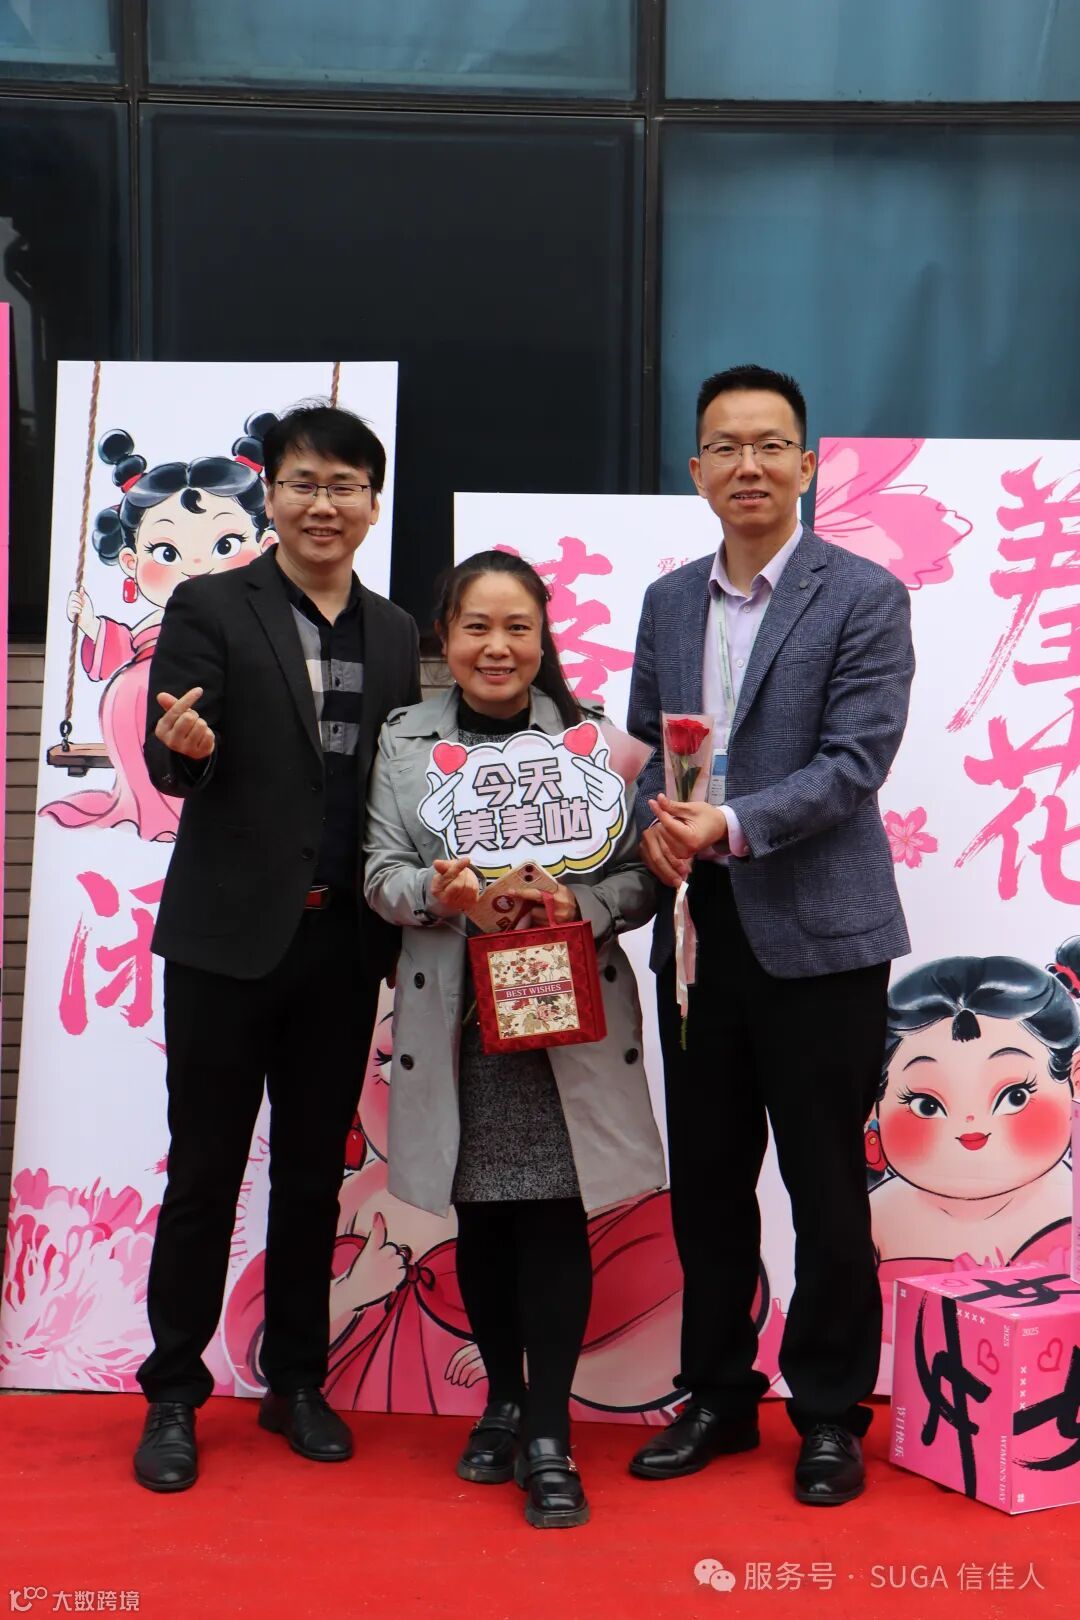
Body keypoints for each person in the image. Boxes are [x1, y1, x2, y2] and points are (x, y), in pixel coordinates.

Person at [626, 363, 914, 1505]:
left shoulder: (863, 595)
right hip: (699, 941)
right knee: (707, 1181)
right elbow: (646, 751)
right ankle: (716, 1396)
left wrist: (732, 824)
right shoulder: (666, 603)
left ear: (807, 463)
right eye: (726, 447)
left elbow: (855, 762)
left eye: (770, 444)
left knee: (825, 1184)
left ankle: (831, 1412)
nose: (748, 465)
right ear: (697, 469)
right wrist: (652, 835)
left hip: (822, 939)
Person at [132, 403, 421, 1491]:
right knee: (203, 1173)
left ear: (372, 503)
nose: (323, 504)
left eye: (346, 485)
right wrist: (187, 749)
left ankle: (296, 1381)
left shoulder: (394, 631)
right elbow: (176, 751)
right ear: (274, 496)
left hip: (341, 944)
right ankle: (172, 1394)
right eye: (305, 482)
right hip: (225, 944)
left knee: (310, 1180)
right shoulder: (212, 603)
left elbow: (396, 780)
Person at [362, 549, 667, 1529]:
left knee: (554, 1219)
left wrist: (578, 902)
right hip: (458, 1020)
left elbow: (642, 876)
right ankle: (500, 1400)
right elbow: (379, 873)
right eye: (477, 628)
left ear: (543, 639)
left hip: (563, 1018)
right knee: (484, 1221)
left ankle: (547, 1429)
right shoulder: (405, 741)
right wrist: (436, 891)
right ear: (444, 639)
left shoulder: (595, 745)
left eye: (517, 628)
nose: (497, 648)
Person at [40, 418, 272, 841]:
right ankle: (149, 813)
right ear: (131, 562)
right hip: (138, 707)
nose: (196, 564)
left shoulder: (255, 615)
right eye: (166, 551)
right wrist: (90, 624)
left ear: (265, 546)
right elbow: (122, 648)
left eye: (225, 545)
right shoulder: (156, 622)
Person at [870, 942, 1077, 1280]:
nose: (971, 1126)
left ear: (1074, 1079)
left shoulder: (1071, 1200)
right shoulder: (876, 1217)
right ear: (876, 1104)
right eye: (926, 1104)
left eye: (1015, 1096)